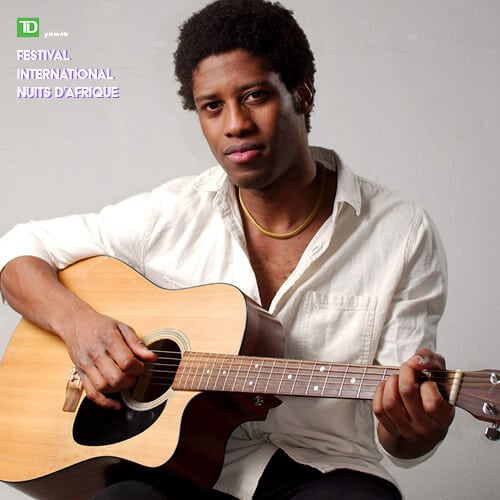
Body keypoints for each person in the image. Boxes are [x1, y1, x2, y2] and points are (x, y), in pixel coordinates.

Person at [0, 0, 454, 498]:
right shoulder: (171, 213)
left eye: (255, 96)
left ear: (301, 93)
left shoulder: (401, 233)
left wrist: (415, 428)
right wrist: (79, 326)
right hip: (174, 464)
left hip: (324, 468)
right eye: (212, 106)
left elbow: (400, 433)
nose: (235, 124)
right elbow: (18, 251)